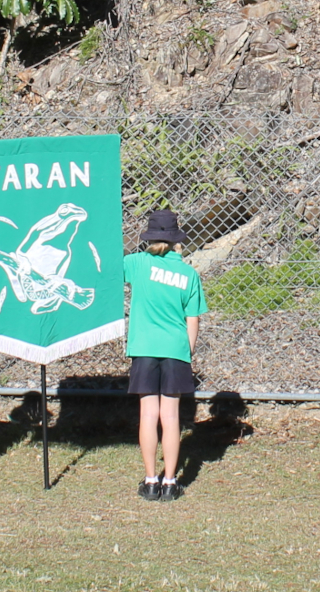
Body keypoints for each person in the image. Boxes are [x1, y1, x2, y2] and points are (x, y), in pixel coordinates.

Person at [123, 209, 207, 502]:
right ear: (176, 241)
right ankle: (170, 482)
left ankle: (149, 481)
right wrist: (187, 353)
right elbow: (193, 319)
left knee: (148, 415)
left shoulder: (136, 264)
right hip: (176, 350)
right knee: (171, 417)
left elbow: (110, 272)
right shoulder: (188, 274)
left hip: (144, 348)